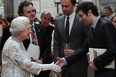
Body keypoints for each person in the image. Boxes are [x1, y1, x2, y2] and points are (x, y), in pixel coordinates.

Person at [56, 2, 116, 77]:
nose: (80, 20)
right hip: (100, 71)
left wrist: (96, 62)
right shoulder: (92, 29)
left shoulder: (105, 25)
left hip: (109, 72)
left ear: (89, 12)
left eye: (81, 16)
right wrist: (65, 60)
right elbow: (83, 48)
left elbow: (113, 50)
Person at [53, 0, 89, 77]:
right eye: (62, 6)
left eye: (66, 6)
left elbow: (88, 41)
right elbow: (56, 44)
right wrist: (56, 64)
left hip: (79, 64)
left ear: (74, 5)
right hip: (63, 66)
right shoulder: (58, 21)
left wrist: (76, 52)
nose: (64, 9)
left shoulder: (82, 19)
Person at [38, 11, 54, 77]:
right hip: (38, 56)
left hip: (48, 57)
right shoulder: (36, 28)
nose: (46, 20)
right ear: (41, 18)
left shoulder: (52, 29)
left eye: (48, 19)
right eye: (45, 18)